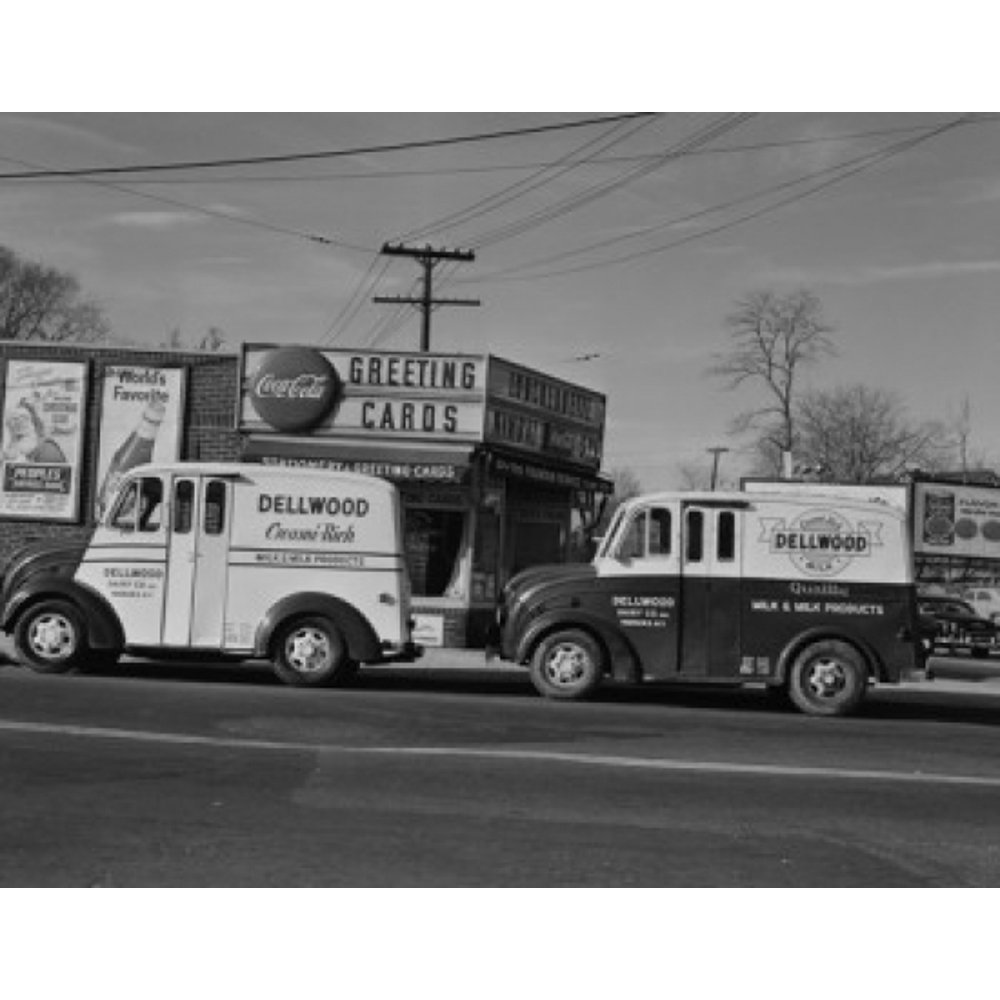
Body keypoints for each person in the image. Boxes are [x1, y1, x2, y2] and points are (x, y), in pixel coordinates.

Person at [2, 398, 66, 464]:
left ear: (34, 423)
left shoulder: (48, 450)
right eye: (14, 419)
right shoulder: (8, 451)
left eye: (24, 418)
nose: (19, 422)